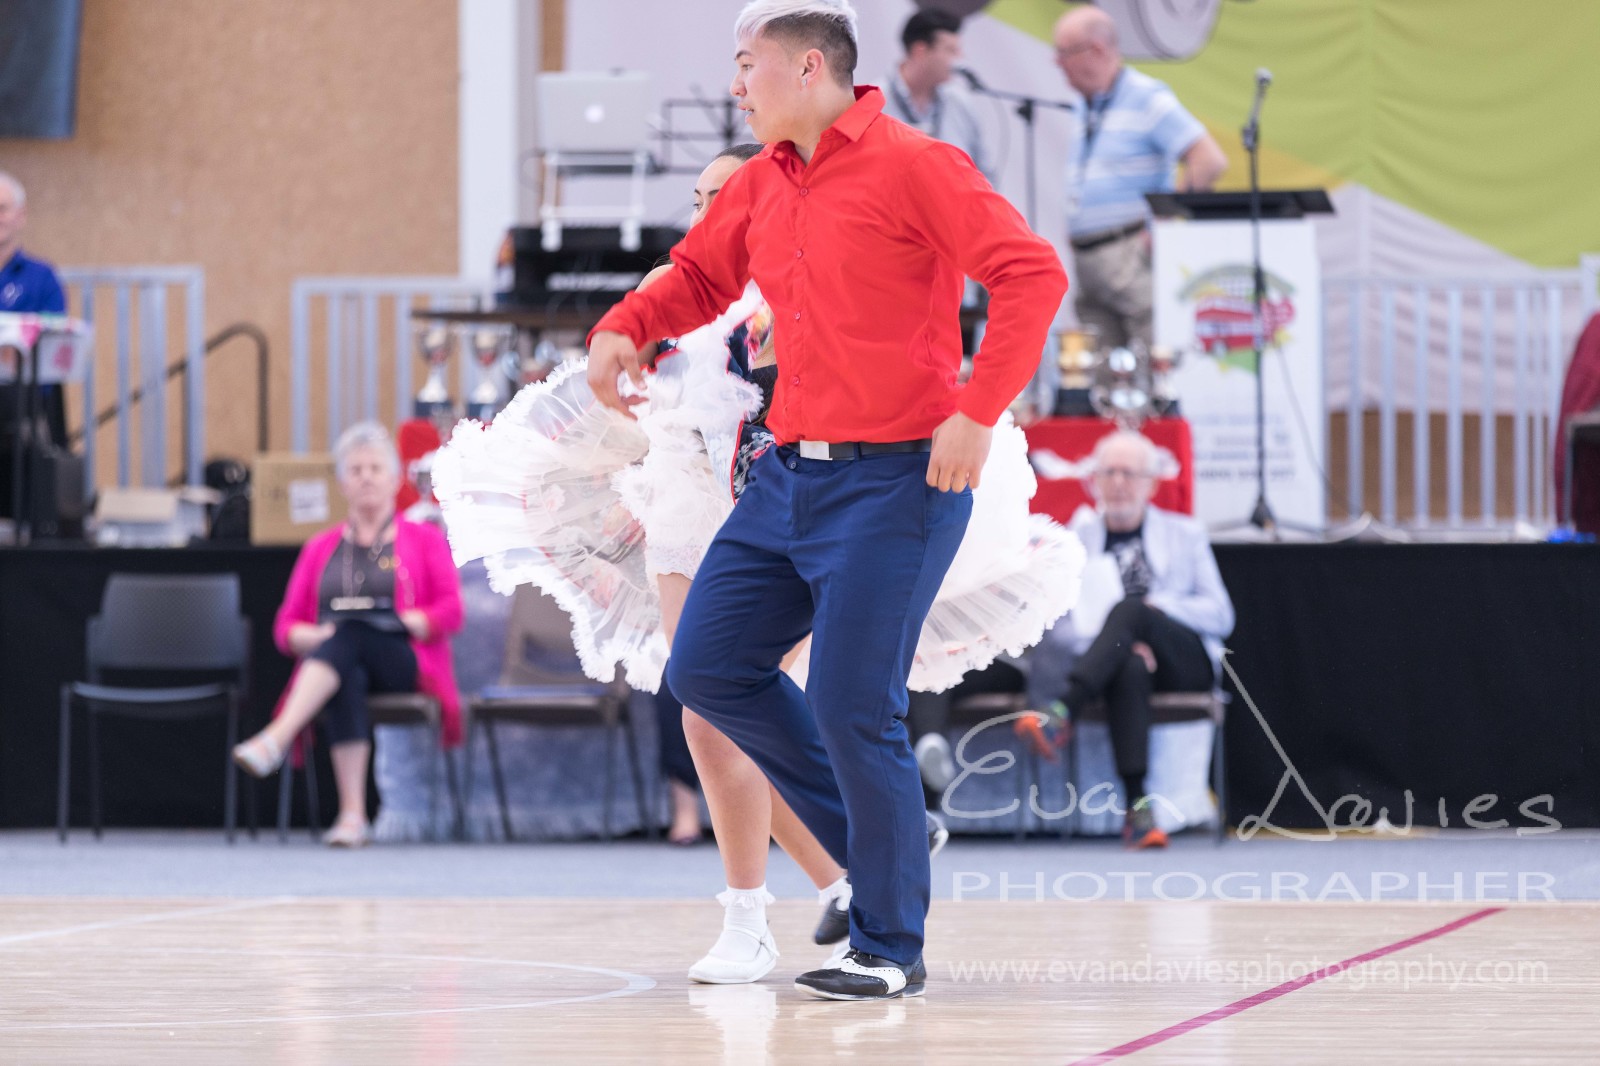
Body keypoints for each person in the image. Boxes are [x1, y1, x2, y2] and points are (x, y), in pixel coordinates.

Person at [585, 0, 1068, 1001]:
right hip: (787, 478)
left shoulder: (917, 165)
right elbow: (697, 277)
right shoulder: (762, 182)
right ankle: (886, 842)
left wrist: (978, 410)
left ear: (809, 68)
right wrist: (624, 325)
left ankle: (887, 946)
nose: (734, 86)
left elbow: (1031, 273)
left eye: (746, 64)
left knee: (854, 706)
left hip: (899, 481)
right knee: (708, 667)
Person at [232, 422, 464, 848]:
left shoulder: (425, 540)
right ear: (342, 483)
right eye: (356, 470)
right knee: (346, 669)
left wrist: (407, 620)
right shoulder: (319, 548)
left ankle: (278, 737)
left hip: (403, 661)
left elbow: (451, 611)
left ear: (395, 479)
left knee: (353, 632)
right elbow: (285, 627)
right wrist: (316, 636)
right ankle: (353, 816)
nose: (366, 478)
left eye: (376, 468)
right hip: (338, 661)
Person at [1021, 429, 1234, 849]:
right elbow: (1063, 621)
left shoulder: (1185, 534)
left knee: (1132, 609)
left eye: (1129, 474)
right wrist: (1124, 645)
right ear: (1094, 482)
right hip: (1115, 659)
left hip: (1182, 659)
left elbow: (1221, 614)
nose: (1118, 483)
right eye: (1109, 473)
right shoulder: (1076, 540)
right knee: (1129, 664)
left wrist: (1157, 609)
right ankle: (1139, 810)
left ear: (1151, 484)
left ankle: (1063, 710)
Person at [1053, 5, 1226, 350]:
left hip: (1129, 252)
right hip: (1089, 258)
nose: (1059, 65)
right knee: (1103, 365)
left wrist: (1163, 224)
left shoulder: (1146, 97)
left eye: (1065, 54)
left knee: (1154, 353)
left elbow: (1209, 160)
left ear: (1096, 50)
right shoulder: (1087, 104)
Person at [0, 170, 69, 522]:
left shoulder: (42, 278)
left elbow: (54, 349)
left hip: (25, 404)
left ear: (21, 215)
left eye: (2, 209)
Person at [880, 9, 994, 183]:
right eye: (951, 50)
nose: (959, 59)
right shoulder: (875, 102)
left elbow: (985, 175)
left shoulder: (961, 103)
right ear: (920, 50)